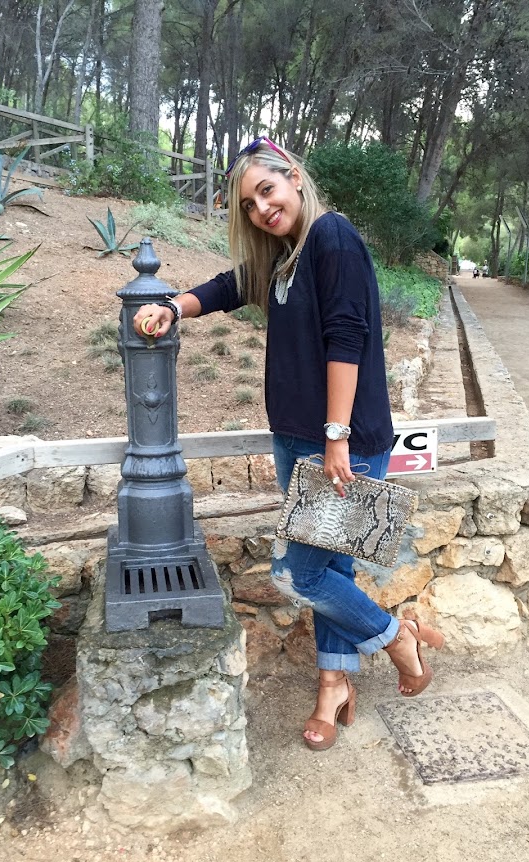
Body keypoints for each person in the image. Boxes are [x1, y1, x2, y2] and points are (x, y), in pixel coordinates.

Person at [134, 136, 444, 751]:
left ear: (294, 177)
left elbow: (346, 340)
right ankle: (333, 687)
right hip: (299, 438)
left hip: (339, 442)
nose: (261, 210)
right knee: (331, 568)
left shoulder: (333, 237)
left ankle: (396, 638)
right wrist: (173, 306)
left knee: (297, 575)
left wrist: (336, 437)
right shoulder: (286, 254)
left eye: (266, 191)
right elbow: (231, 285)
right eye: (248, 206)